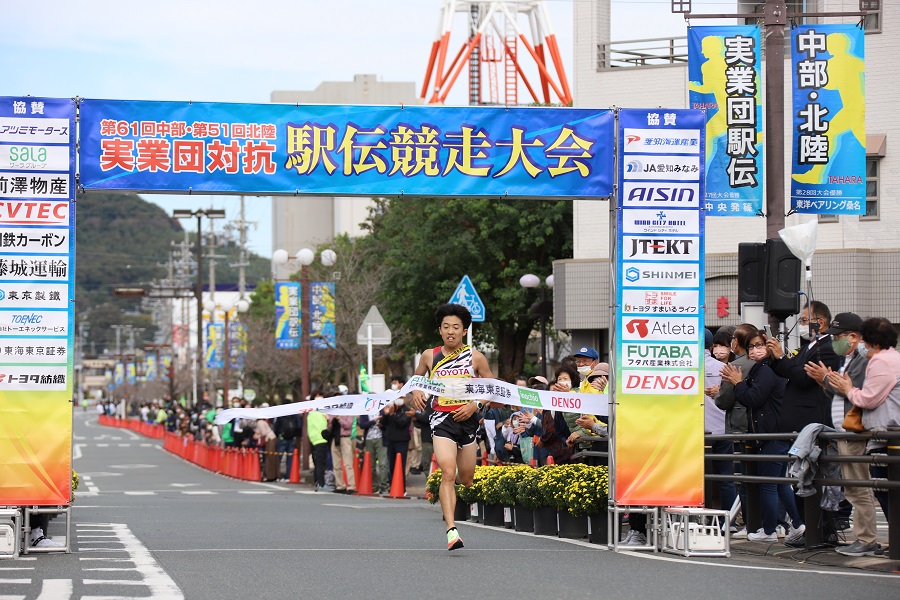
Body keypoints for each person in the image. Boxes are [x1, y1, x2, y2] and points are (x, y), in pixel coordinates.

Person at [408, 303, 494, 551]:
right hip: (441, 419)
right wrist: (417, 391)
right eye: (446, 327)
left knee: (466, 479)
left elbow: (493, 387)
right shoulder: (429, 355)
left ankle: (453, 479)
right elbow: (417, 378)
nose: (450, 331)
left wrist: (475, 405)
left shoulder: (475, 357)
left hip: (467, 420)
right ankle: (451, 530)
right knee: (447, 471)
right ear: (440, 330)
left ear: (464, 331)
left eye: (456, 327)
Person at [722, 329, 805, 544]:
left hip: (771, 432)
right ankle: (797, 523)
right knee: (778, 483)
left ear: (768, 347)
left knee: (769, 483)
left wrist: (738, 383)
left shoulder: (767, 370)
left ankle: (769, 530)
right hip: (775, 431)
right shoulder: (765, 368)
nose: (754, 350)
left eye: (759, 345)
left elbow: (754, 398)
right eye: (751, 346)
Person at [827, 316, 900, 556]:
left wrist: (848, 389)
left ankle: (886, 542)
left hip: (885, 434)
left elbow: (869, 398)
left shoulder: (881, 361)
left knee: (883, 489)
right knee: (884, 489)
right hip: (885, 434)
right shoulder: (891, 358)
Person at [767, 301, 841, 431]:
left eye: (804, 320)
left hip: (810, 415)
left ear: (820, 323)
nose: (801, 325)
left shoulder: (827, 348)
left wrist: (781, 357)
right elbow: (789, 370)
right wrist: (774, 357)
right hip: (796, 414)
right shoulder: (806, 347)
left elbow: (803, 378)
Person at [381, 397, 412, 494]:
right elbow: (382, 423)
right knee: (391, 465)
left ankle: (402, 489)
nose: (399, 399)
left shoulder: (407, 410)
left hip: (402, 441)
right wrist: (386, 415)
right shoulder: (391, 408)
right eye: (398, 397)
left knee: (400, 465)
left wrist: (392, 415)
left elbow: (402, 423)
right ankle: (392, 486)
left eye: (401, 397)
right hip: (391, 441)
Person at [359, 409, 390, 494]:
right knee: (371, 465)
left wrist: (386, 416)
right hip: (369, 439)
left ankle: (384, 486)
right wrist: (374, 421)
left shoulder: (382, 410)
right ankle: (374, 486)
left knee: (383, 463)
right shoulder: (365, 412)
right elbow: (362, 425)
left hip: (381, 438)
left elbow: (387, 422)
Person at [307, 390, 331, 491]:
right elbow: (322, 426)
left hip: (314, 439)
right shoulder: (320, 411)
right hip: (321, 439)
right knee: (321, 463)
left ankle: (318, 483)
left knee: (318, 463)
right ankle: (321, 484)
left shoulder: (310, 411)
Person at [330, 413, 357, 494]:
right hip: (335, 438)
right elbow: (329, 426)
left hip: (345, 438)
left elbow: (348, 425)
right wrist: (330, 421)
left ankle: (351, 486)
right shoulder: (333, 411)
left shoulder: (349, 411)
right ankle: (340, 485)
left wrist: (339, 419)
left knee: (348, 463)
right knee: (336, 464)